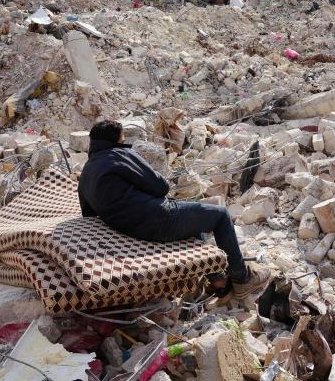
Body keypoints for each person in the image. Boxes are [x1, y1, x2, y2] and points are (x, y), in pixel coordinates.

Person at [78, 120, 271, 304]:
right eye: (122, 139)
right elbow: (161, 187)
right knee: (220, 214)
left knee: (190, 222)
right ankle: (242, 279)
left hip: (129, 229)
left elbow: (88, 215)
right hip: (157, 220)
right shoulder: (119, 155)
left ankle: (220, 283)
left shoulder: (87, 171)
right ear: (117, 140)